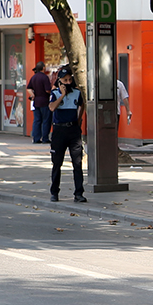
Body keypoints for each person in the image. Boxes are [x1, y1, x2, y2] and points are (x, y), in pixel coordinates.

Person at [49, 64, 87, 202]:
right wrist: (62, 95)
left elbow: (82, 105)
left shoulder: (77, 93)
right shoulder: (54, 94)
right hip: (59, 130)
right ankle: (54, 192)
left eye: (70, 80)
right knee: (57, 163)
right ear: (59, 81)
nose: (68, 83)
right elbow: (52, 107)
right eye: (65, 80)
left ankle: (78, 193)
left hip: (73, 130)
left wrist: (79, 119)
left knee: (77, 162)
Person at [26, 62, 54, 143]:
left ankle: (36, 138)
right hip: (44, 101)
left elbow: (29, 88)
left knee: (37, 120)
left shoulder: (34, 77)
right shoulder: (44, 77)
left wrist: (33, 95)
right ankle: (45, 138)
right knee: (46, 120)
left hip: (36, 102)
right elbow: (47, 90)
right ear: (43, 68)